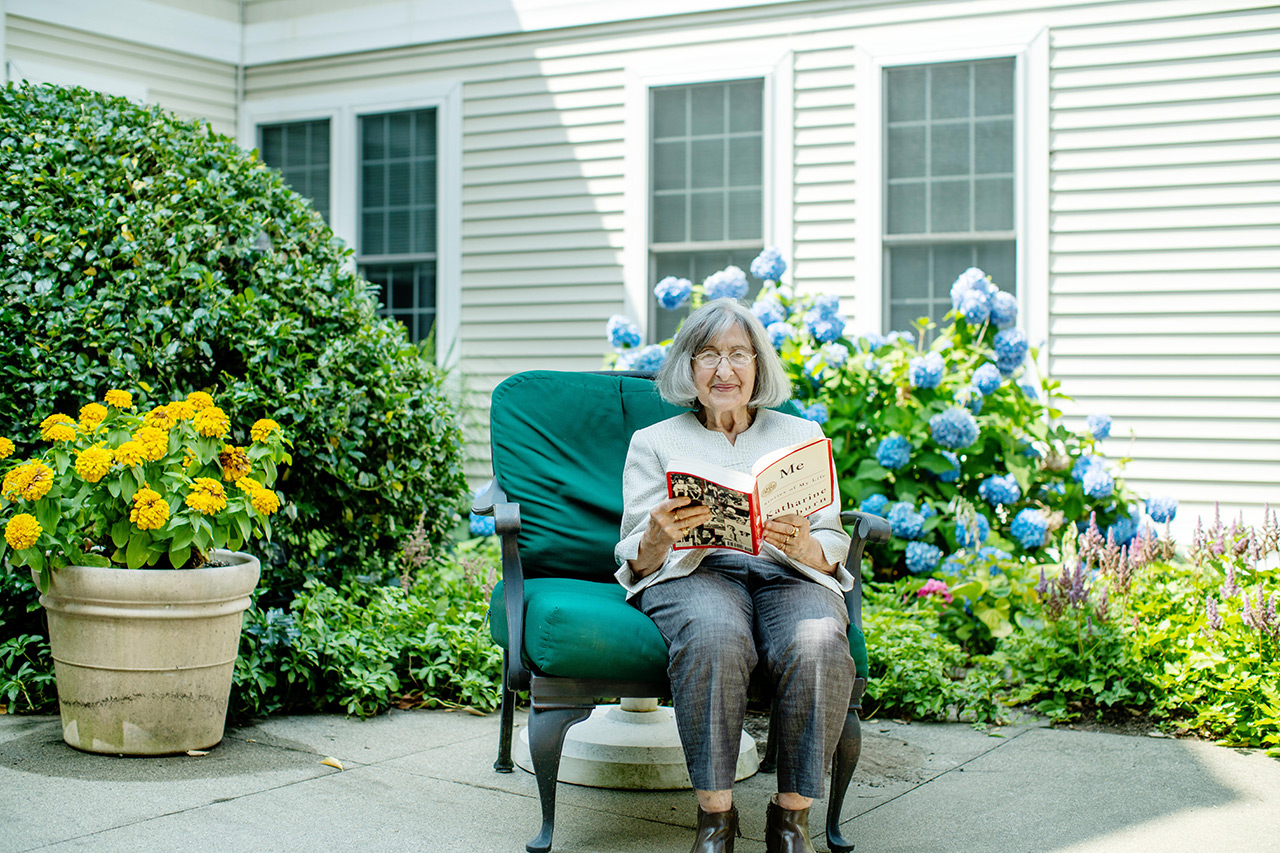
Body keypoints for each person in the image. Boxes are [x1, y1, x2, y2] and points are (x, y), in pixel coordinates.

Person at [614, 299, 856, 853]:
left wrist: (810, 547)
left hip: (787, 572)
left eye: (738, 355)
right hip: (698, 571)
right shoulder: (655, 443)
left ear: (758, 365)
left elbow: (833, 535)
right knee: (715, 637)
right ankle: (716, 821)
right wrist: (655, 539)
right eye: (708, 356)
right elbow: (636, 555)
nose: (724, 370)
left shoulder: (801, 433)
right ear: (688, 368)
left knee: (819, 641)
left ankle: (791, 820)